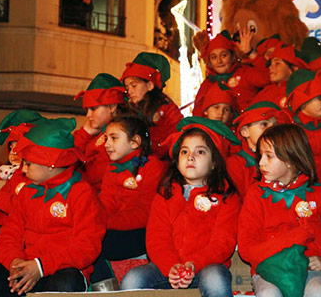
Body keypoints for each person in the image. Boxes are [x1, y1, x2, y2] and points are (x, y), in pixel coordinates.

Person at [0, 117, 106, 297]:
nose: (23, 169)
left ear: (51, 164)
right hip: (24, 267)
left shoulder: (82, 193)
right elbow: (9, 234)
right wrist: (15, 262)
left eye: (28, 163)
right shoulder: (27, 192)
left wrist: (40, 266)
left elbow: (86, 247)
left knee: (65, 283)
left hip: (61, 270)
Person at [119, 118, 240, 295]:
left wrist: (194, 264)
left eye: (200, 152)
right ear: (177, 160)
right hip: (169, 268)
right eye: (185, 151)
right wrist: (171, 266)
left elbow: (222, 243)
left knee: (215, 278)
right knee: (133, 279)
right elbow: (157, 238)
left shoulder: (227, 197)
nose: (190, 157)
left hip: (205, 266)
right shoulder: (165, 194)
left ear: (214, 163)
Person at [238, 123, 321, 297]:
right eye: (260, 156)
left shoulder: (320, 192)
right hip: (269, 269)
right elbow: (246, 247)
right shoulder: (256, 194)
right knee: (268, 294)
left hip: (309, 268)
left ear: (290, 160)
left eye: (269, 156)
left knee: (317, 291)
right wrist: (294, 238)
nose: (261, 162)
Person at [92, 115, 167, 282]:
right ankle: (104, 286)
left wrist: (106, 223)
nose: (107, 144)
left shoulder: (152, 166)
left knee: (95, 244)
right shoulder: (111, 168)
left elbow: (146, 213)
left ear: (135, 142)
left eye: (114, 138)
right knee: (87, 239)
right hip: (115, 228)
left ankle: (106, 288)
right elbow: (106, 203)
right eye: (106, 138)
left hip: (142, 232)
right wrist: (97, 220)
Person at [121, 52, 182, 158]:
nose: (129, 91)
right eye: (127, 88)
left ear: (149, 85)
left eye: (134, 86)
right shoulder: (128, 111)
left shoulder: (168, 110)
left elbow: (179, 135)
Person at [73, 73, 127, 189]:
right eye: (87, 110)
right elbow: (68, 155)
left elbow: (92, 176)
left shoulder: (121, 136)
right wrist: (85, 133)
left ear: (112, 107)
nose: (88, 115)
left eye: (93, 109)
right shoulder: (96, 133)